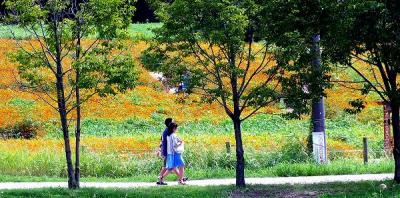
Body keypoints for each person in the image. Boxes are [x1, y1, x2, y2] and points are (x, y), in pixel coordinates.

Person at [156, 118, 173, 185]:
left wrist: (160, 149)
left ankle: (181, 177)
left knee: (168, 166)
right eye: (173, 122)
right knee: (166, 166)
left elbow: (161, 141)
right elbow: (164, 142)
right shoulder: (167, 132)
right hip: (167, 151)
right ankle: (160, 180)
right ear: (169, 124)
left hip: (166, 150)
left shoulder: (166, 131)